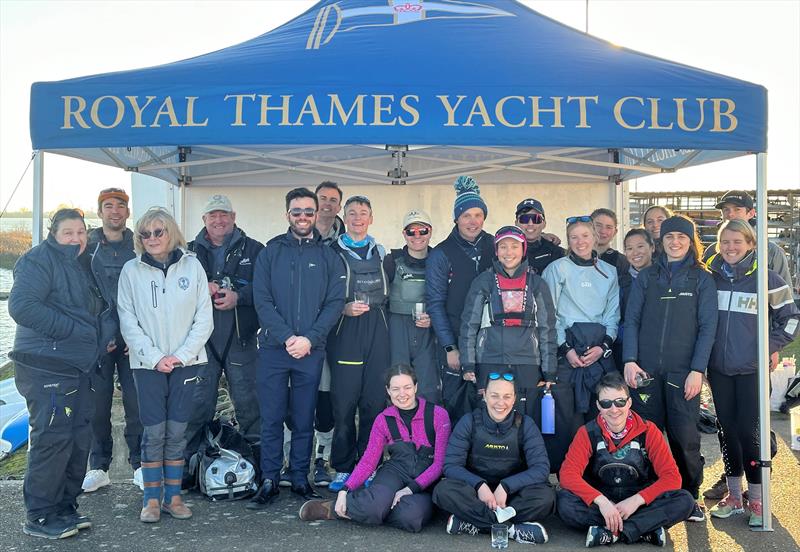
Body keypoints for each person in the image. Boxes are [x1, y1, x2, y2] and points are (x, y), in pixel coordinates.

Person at [9, 208, 114, 539]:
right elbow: (22, 306)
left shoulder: (81, 264)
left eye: (81, 232)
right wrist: (75, 331)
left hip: (78, 368)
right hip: (46, 367)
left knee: (77, 436)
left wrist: (101, 337)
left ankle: (64, 505)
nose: (76, 239)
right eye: (68, 232)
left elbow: (94, 310)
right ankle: (39, 515)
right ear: (53, 233)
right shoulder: (39, 260)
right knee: (51, 440)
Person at [247, 187, 346, 509]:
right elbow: (261, 299)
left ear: (317, 214)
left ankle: (301, 477)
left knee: (305, 418)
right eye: (296, 212)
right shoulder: (270, 252)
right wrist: (288, 337)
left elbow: (334, 304)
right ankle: (270, 479)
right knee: (272, 417)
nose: (302, 217)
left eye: (308, 211)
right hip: (275, 348)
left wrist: (309, 339)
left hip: (310, 350)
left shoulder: (329, 256)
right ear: (287, 215)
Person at [117, 207, 213, 523]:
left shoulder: (193, 266)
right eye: (145, 234)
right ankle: (151, 501)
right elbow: (127, 320)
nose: (152, 238)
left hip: (187, 363)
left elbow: (204, 319)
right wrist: (156, 357)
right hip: (147, 365)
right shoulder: (131, 271)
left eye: (159, 232)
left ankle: (173, 497)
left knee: (177, 433)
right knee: (154, 433)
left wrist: (181, 355)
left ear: (171, 232)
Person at [622, 215, 717, 521]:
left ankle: (690, 495)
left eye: (682, 237)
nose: (675, 242)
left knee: (685, 438)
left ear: (691, 242)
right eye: (669, 237)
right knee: (647, 437)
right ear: (660, 242)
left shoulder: (702, 279)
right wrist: (630, 361)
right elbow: (632, 321)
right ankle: (648, 493)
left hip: (682, 373)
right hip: (646, 373)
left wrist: (697, 370)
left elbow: (707, 328)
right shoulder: (647, 277)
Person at [705, 219, 799, 526]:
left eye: (738, 242)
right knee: (726, 431)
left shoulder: (768, 279)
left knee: (750, 433)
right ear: (718, 246)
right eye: (725, 243)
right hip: (718, 370)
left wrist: (765, 346)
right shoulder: (711, 277)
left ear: (751, 245)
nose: (731, 248)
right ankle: (734, 496)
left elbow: (792, 321)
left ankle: (758, 500)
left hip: (752, 371)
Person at [299, 365, 451, 532]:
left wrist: (410, 489)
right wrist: (345, 489)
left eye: (407, 387)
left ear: (415, 387)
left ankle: (370, 508)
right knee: (375, 505)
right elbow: (368, 461)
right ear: (388, 390)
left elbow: (439, 464)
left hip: (425, 479)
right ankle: (333, 508)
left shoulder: (438, 415)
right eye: (395, 389)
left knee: (410, 517)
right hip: (395, 471)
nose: (402, 394)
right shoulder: (383, 419)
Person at [557, 373, 695, 547]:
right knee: (564, 502)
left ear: (629, 402)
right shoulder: (587, 432)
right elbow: (568, 475)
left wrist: (636, 500)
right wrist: (601, 501)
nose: (614, 409)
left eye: (620, 402)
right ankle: (643, 529)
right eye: (606, 403)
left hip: (639, 499)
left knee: (684, 501)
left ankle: (610, 532)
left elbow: (672, 477)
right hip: (602, 499)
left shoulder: (649, 431)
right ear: (598, 405)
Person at [184, 194, 263, 469]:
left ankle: (259, 468)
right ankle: (189, 467)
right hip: (201, 342)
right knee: (197, 405)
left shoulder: (254, 249)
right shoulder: (187, 252)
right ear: (204, 219)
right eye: (213, 215)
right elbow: (175, 291)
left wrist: (238, 297)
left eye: (224, 214)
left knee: (250, 404)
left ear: (234, 217)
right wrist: (199, 289)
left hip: (241, 338)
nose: (219, 220)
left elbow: (266, 289)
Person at [432, 372, 555, 545]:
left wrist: (506, 486)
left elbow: (541, 469)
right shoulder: (469, 422)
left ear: (514, 399)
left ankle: (474, 523)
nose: (500, 403)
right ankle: (513, 530)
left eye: (507, 396)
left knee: (546, 497)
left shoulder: (526, 424)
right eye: (494, 395)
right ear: (484, 396)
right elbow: (451, 466)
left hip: (512, 497)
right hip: (476, 495)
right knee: (443, 490)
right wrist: (479, 485)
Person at [541, 216, 619, 473]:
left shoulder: (609, 271)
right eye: (574, 237)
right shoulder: (556, 269)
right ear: (568, 240)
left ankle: (599, 471)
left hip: (598, 350)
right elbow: (548, 313)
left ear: (594, 237)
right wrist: (565, 348)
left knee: (599, 414)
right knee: (567, 417)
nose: (580, 241)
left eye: (585, 236)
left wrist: (603, 346)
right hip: (568, 352)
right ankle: (566, 473)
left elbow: (612, 314)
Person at [326, 195, 391, 491]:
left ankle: (370, 466)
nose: (357, 218)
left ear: (371, 218)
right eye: (352, 213)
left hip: (378, 328)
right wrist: (343, 307)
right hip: (346, 330)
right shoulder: (332, 252)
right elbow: (321, 295)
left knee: (374, 402)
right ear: (344, 217)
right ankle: (342, 467)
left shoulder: (382, 252)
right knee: (344, 402)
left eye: (363, 213)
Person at [459, 226, 557, 421]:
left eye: (514, 246)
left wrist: (549, 371)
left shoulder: (537, 284)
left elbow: (548, 329)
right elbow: (468, 325)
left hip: (528, 362)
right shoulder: (483, 282)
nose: (508, 252)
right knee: (489, 418)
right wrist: (468, 365)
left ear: (523, 250)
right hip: (490, 360)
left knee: (525, 419)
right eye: (503, 247)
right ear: (496, 251)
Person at [82, 188, 142, 494]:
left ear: (127, 213)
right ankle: (98, 466)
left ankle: (140, 465)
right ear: (100, 212)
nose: (115, 211)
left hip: (132, 339)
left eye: (120, 206)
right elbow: (80, 297)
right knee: (98, 405)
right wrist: (94, 335)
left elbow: (149, 293)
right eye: (108, 206)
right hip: (99, 341)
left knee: (137, 404)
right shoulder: (86, 248)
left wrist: (140, 332)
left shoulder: (140, 246)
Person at [427, 176, 494, 423]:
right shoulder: (441, 253)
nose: (472, 221)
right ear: (456, 218)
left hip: (492, 343)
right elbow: (435, 303)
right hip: (455, 340)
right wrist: (449, 347)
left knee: (491, 403)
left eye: (478, 215)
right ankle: (455, 459)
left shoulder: (496, 245)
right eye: (466, 215)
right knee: (458, 407)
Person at [383, 210, 439, 402]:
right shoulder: (391, 261)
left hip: (428, 329)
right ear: (404, 234)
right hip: (397, 326)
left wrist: (435, 318)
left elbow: (450, 298)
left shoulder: (440, 260)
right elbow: (381, 297)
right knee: (398, 380)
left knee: (428, 384)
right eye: (411, 231)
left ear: (430, 232)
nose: (417, 236)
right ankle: (396, 429)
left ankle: (428, 429)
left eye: (422, 231)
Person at [613, 229, 656, 370]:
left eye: (640, 246)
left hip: (658, 351)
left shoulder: (665, 279)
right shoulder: (621, 282)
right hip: (627, 353)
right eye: (629, 248)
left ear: (652, 247)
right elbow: (614, 319)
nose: (635, 252)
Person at [514, 198, 564, 274]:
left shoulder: (557, 253)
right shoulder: (507, 251)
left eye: (536, 219)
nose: (530, 224)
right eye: (524, 219)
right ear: (516, 223)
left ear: (544, 223)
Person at [592, 208, 630, 276]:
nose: (603, 231)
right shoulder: (576, 258)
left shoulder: (622, 261)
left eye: (608, 227)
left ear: (615, 232)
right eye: (598, 225)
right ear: (589, 227)